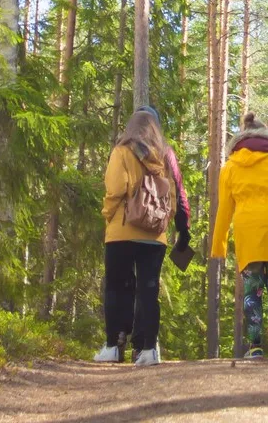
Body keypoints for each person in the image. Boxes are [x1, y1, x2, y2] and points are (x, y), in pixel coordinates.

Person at [94, 108, 190, 366]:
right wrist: (169, 221)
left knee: (116, 286)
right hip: (154, 234)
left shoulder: (122, 151)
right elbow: (176, 193)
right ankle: (148, 350)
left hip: (121, 231)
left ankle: (113, 346)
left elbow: (115, 189)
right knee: (148, 290)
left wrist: (108, 214)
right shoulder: (167, 155)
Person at [211, 112, 268, 358]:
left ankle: (255, 347)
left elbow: (224, 209)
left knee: (252, 290)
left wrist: (218, 245)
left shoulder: (230, 166)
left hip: (247, 230)